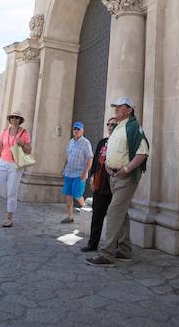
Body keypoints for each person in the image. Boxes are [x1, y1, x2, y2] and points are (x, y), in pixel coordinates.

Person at [85, 97, 148, 267]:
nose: (116, 109)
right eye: (116, 107)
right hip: (113, 176)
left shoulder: (133, 126)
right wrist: (107, 165)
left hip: (126, 177)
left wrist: (126, 169)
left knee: (113, 212)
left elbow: (142, 153)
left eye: (120, 107)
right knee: (122, 213)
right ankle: (125, 250)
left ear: (129, 109)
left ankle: (107, 254)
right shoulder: (119, 127)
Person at [81, 116, 117, 252]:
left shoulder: (119, 142)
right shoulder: (102, 142)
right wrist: (91, 177)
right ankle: (93, 244)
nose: (110, 126)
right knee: (97, 215)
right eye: (109, 124)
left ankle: (114, 245)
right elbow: (96, 161)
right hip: (99, 184)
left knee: (114, 217)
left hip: (113, 184)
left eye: (113, 124)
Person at [60, 122, 92, 224]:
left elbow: (90, 158)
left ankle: (88, 213)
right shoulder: (71, 142)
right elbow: (68, 157)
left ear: (82, 131)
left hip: (79, 173)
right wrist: (64, 168)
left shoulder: (86, 142)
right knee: (68, 194)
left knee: (77, 194)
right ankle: (70, 217)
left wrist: (85, 172)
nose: (76, 131)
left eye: (78, 129)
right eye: (74, 129)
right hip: (69, 172)